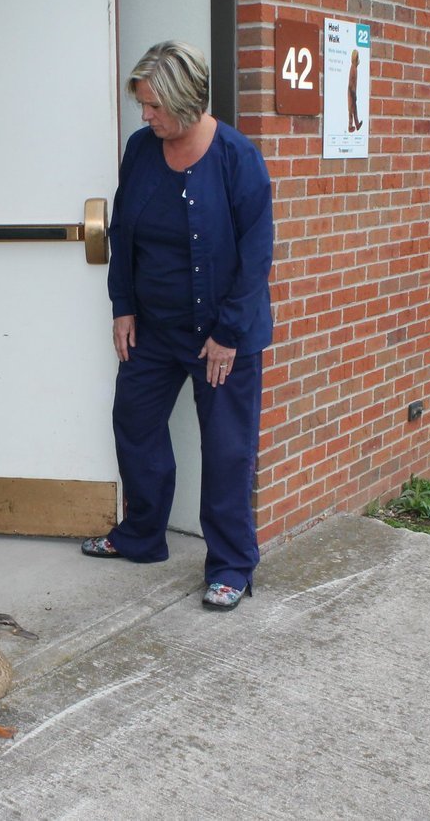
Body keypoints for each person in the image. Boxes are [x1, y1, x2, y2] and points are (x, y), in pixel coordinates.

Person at [79, 41, 275, 612]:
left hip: (221, 338)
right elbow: (125, 235)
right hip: (155, 331)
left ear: (187, 102)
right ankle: (141, 536)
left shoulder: (239, 158)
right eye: (143, 105)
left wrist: (229, 332)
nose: (145, 116)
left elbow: (255, 256)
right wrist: (123, 305)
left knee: (226, 450)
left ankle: (232, 565)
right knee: (134, 422)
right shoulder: (142, 151)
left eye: (154, 106)